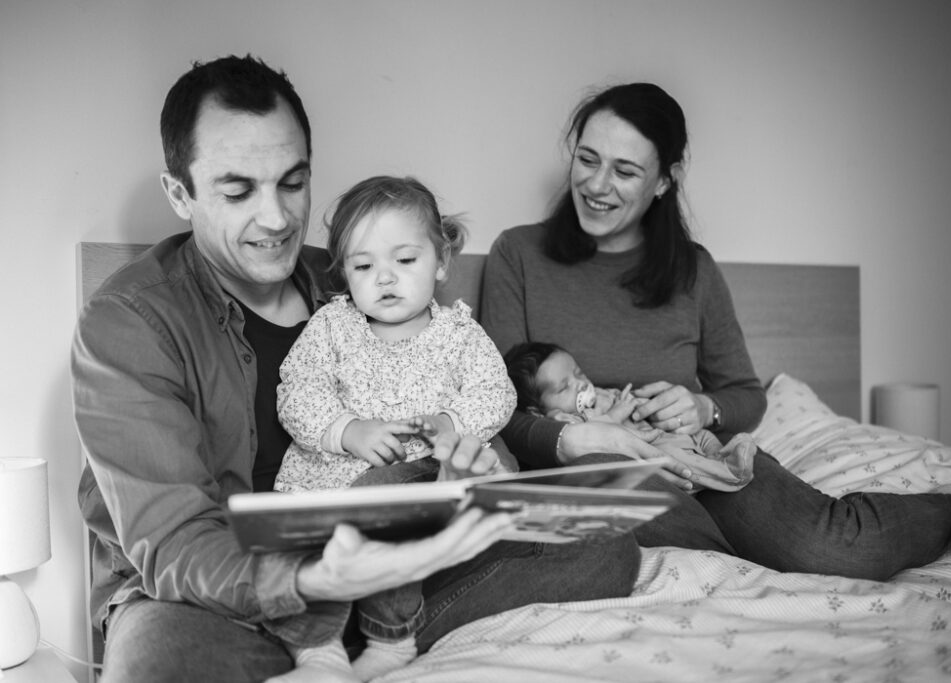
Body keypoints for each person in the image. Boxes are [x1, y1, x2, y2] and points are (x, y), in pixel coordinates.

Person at [72, 55, 639, 683]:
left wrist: (558, 437)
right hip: (228, 583)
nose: (277, 218)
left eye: (292, 182)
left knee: (604, 544)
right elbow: (176, 543)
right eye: (238, 191)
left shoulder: (358, 271)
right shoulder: (128, 322)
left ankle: (382, 633)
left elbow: (476, 392)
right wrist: (317, 577)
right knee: (160, 662)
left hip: (393, 550)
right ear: (181, 194)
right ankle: (324, 635)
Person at [480, 81, 951, 581]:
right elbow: (495, 411)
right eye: (587, 160)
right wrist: (576, 438)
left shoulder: (693, 271)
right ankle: (716, 543)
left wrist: (704, 407)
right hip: (598, 473)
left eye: (625, 171)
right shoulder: (518, 256)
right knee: (613, 515)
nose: (596, 185)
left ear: (663, 180)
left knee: (838, 549)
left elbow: (747, 395)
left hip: (699, 457)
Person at [273, 175, 517, 680]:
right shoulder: (331, 328)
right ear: (344, 274)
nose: (385, 278)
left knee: (396, 507)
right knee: (297, 540)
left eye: (405, 261)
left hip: (412, 484)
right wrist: (349, 429)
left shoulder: (459, 335)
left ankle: (391, 638)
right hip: (327, 482)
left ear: (441, 261)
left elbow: (498, 393)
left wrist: (449, 423)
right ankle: (318, 653)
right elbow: (296, 391)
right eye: (364, 266)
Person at [503, 341, 755, 492]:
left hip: (669, 432)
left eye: (579, 373)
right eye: (563, 387)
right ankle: (728, 473)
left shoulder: (599, 394)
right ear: (537, 412)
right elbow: (599, 432)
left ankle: (719, 454)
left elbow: (746, 390)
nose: (580, 384)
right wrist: (616, 412)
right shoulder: (564, 420)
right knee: (679, 464)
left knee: (704, 437)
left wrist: (649, 404)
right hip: (653, 450)